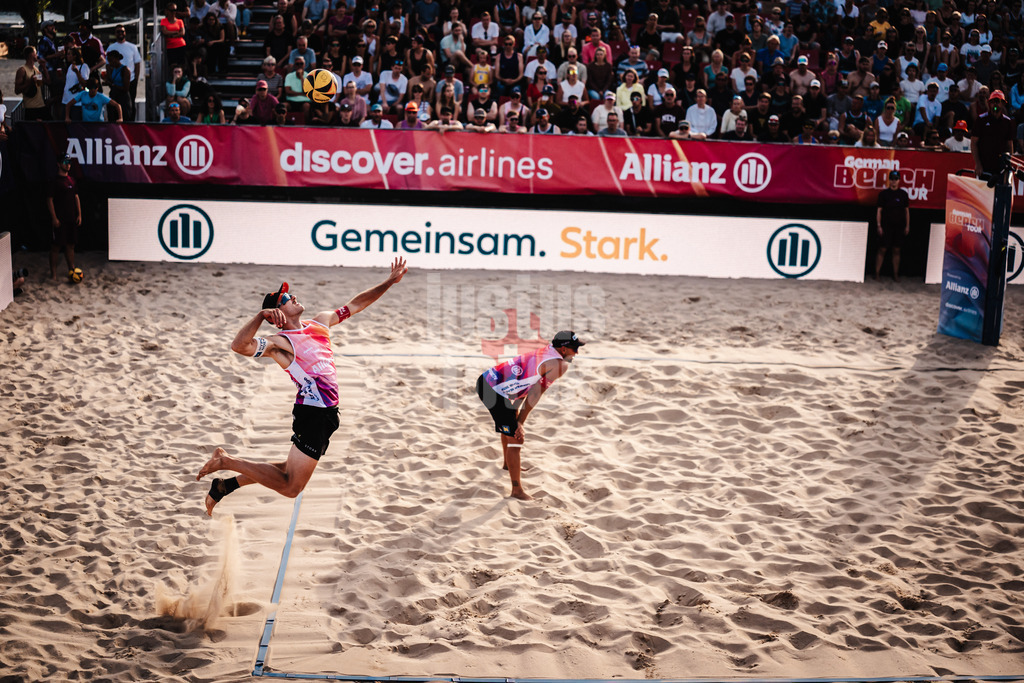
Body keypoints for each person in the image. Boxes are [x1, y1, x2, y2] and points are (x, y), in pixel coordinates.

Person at [198, 259, 409, 515]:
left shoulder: (320, 322)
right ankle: (226, 461)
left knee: (289, 470)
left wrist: (389, 282)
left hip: (328, 415)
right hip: (313, 414)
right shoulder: (280, 344)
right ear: (278, 314)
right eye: (286, 297)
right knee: (291, 488)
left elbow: (357, 304)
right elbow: (239, 346)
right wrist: (259, 316)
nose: (293, 296)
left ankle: (225, 486)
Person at [476, 331, 584, 500]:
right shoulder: (559, 365)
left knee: (511, 424)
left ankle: (507, 464)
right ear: (563, 349)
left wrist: (517, 418)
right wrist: (520, 424)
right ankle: (517, 491)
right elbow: (535, 394)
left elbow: (526, 382)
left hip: (495, 383)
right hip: (492, 390)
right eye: (574, 349)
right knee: (516, 438)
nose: (576, 353)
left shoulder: (548, 351)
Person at [46, 155, 81, 282]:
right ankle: (53, 274)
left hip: (71, 218)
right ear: (58, 164)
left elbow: (76, 197)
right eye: (65, 162)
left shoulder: (72, 180)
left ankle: (71, 268)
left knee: (70, 245)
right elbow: (49, 200)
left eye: (69, 162)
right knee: (56, 246)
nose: (68, 165)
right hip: (60, 219)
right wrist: (54, 218)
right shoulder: (54, 181)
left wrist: (79, 214)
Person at [875, 170, 910, 282]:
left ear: (899, 180)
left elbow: (907, 211)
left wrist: (907, 226)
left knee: (896, 250)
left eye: (896, 179)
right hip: (886, 226)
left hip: (899, 227)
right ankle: (877, 274)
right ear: (889, 180)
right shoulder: (884, 194)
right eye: (892, 179)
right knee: (882, 249)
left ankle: (895, 275)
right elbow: (879, 211)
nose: (893, 181)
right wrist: (879, 225)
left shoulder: (903, 194)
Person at [972, 90, 1015, 177]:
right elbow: (973, 143)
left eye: (997, 101)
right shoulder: (981, 119)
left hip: (1001, 167)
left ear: (1003, 104)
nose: (995, 104)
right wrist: (978, 164)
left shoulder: (1008, 122)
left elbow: (1009, 144)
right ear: (989, 103)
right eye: (992, 102)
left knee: (1001, 190)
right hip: (984, 166)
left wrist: (1009, 164)